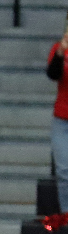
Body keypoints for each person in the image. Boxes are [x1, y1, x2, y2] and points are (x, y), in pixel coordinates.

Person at [47, 27, 68, 214]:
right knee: (63, 171)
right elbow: (53, 74)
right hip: (62, 118)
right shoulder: (59, 48)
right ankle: (66, 214)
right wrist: (61, 52)